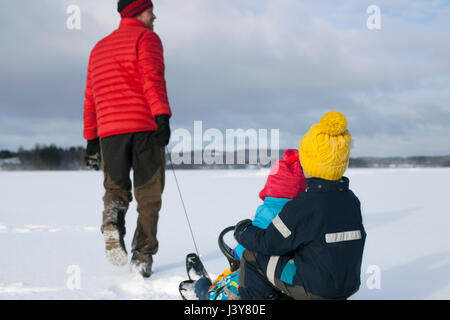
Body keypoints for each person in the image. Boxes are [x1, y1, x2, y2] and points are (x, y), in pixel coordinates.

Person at [234, 111, 367, 300]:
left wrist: (242, 230)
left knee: (251, 257)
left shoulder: (305, 204)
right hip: (346, 285)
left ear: (309, 162)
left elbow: (269, 242)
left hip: (316, 289)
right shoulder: (351, 200)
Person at [83, 0, 172, 278]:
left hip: (110, 133)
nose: (154, 15)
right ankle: (143, 256)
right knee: (148, 196)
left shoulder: (98, 48)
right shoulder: (147, 38)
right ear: (136, 12)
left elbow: (90, 97)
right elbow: (151, 78)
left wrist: (91, 138)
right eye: (150, 10)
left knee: (116, 189)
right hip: (144, 129)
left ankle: (112, 220)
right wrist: (162, 116)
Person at [191, 149, 307, 300]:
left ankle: (208, 292)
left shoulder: (270, 211)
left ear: (272, 185)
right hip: (290, 274)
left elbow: (252, 241)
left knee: (236, 279)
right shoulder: (304, 212)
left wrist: (237, 253)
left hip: (265, 272)